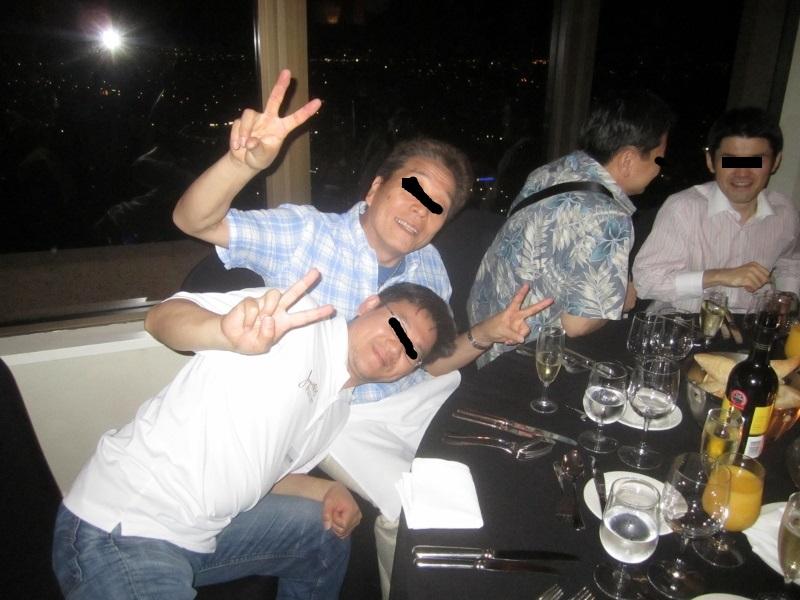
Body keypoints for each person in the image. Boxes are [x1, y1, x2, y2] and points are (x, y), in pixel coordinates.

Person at [51, 270, 457, 600]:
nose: (396, 348)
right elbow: (161, 318)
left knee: (325, 532)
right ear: (369, 306)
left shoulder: (338, 410)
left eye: (413, 352)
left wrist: (326, 490)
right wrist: (220, 331)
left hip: (204, 534)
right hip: (124, 527)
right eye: (397, 325)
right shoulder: (296, 320)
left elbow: (265, 475)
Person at [172, 68, 552, 405]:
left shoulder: (431, 269)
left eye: (436, 207)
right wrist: (240, 164)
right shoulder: (306, 233)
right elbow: (194, 222)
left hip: (389, 424)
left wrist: (487, 332)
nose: (420, 210)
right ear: (374, 189)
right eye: (413, 189)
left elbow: (424, 367)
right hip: (303, 424)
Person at [468, 90, 675, 367]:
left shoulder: (550, 172)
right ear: (627, 160)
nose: (659, 170)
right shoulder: (608, 217)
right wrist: (620, 299)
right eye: (658, 159)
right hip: (520, 355)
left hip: (479, 333)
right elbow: (578, 324)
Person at [633, 107, 800, 312]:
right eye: (730, 160)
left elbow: (791, 263)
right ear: (710, 161)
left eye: (756, 161)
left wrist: (785, 303)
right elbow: (646, 281)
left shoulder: (785, 212)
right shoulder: (684, 208)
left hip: (751, 324)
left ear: (776, 162)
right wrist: (718, 276)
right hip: (683, 321)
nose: (742, 173)